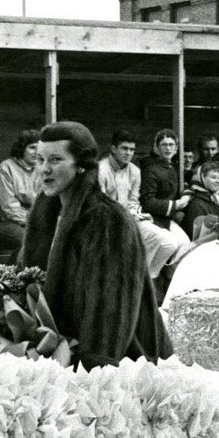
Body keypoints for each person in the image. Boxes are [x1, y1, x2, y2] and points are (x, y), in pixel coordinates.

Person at [20, 121, 173, 369]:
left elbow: (111, 315)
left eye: (55, 160)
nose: (44, 170)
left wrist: (89, 370)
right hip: (59, 353)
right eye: (40, 160)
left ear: (81, 166)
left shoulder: (108, 221)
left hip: (123, 362)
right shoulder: (45, 215)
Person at [98, 130, 186, 279]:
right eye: (124, 149)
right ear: (113, 149)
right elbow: (99, 204)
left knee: (169, 242)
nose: (128, 153)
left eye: (131, 150)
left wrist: (136, 213)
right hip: (107, 222)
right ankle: (134, 279)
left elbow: (133, 201)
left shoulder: (134, 171)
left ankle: (147, 278)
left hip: (131, 218)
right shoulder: (101, 170)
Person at [0, 129, 42, 255]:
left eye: (39, 148)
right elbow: (9, 208)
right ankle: (18, 273)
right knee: (29, 241)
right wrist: (33, 221)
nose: (37, 152)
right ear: (21, 149)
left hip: (37, 221)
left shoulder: (41, 169)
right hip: (9, 223)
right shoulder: (5, 169)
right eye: (32, 147)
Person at [140, 129, 192, 234]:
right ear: (156, 148)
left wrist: (185, 197)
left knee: (184, 243)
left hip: (169, 219)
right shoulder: (150, 169)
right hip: (153, 218)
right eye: (164, 145)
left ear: (176, 148)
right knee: (169, 245)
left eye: (171, 145)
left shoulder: (174, 168)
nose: (168, 148)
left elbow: (184, 185)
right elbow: (148, 201)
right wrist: (176, 205)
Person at [180, 159, 219, 240]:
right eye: (213, 177)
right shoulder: (196, 204)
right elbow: (197, 237)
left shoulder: (215, 201)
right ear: (202, 179)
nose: (218, 181)